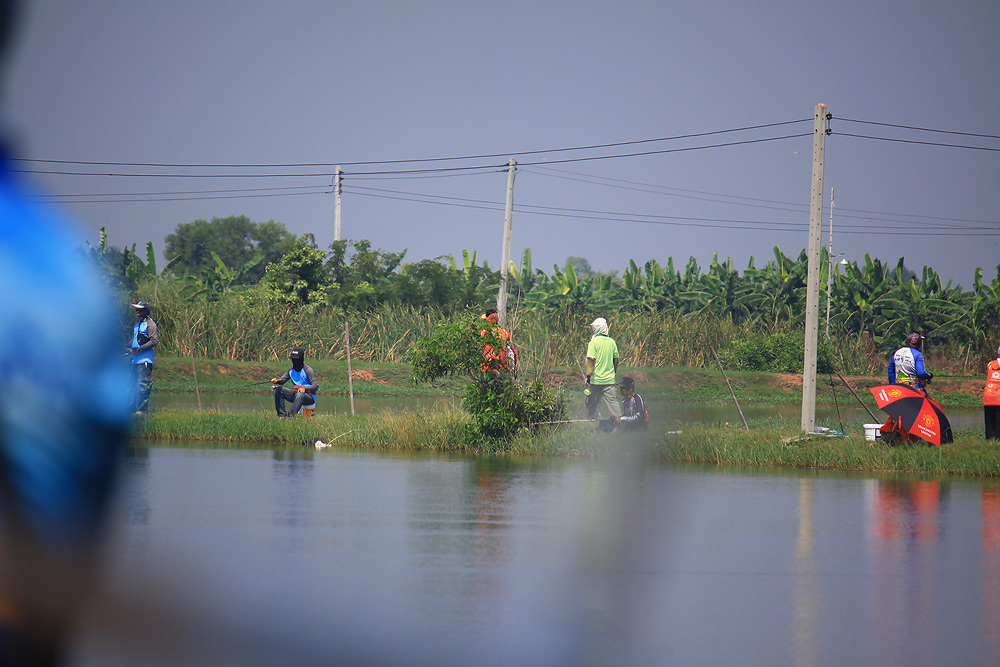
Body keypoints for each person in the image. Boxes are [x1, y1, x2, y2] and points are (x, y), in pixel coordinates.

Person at [584, 317, 621, 425]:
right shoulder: (612, 342)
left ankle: (590, 424)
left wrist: (588, 376)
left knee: (591, 405)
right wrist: (613, 372)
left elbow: (591, 360)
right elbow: (616, 360)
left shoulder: (593, 342)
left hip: (596, 381)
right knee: (614, 403)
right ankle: (620, 424)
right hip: (609, 381)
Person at [128, 300, 158, 414]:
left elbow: (154, 341)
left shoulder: (151, 325)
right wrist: (128, 346)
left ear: (146, 311)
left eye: (140, 310)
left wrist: (141, 348)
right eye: (136, 310)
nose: (137, 312)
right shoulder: (138, 325)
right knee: (131, 384)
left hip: (144, 361)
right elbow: (135, 339)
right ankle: (130, 409)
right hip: (134, 360)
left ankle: (141, 410)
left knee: (143, 385)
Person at [271, 348, 319, 417]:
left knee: (300, 394)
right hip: (296, 395)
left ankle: (290, 417)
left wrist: (304, 389)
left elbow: (316, 386)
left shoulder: (308, 370)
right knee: (278, 390)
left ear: (301, 359)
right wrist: (277, 380)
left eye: (297, 359)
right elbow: (283, 379)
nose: (295, 361)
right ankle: (281, 415)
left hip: (309, 397)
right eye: (293, 359)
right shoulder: (291, 370)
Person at [479, 309, 518, 376]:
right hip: (503, 370)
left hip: (487, 370)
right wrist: (514, 369)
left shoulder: (483, 333)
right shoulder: (505, 333)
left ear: (487, 320)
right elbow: (512, 352)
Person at [984, 346, 1000, 440]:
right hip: (999, 397)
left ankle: (989, 439)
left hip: (988, 396)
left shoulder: (990, 365)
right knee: (999, 422)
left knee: (989, 421)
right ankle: (998, 440)